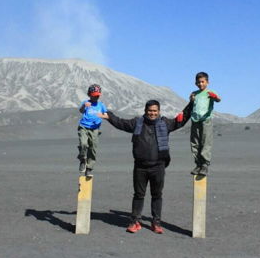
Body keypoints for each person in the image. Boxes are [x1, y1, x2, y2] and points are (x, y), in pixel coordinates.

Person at [99, 100, 191, 234]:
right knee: (138, 195)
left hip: (158, 166)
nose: (152, 113)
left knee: (157, 195)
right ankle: (135, 221)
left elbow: (180, 121)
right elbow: (121, 123)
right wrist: (109, 116)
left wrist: (191, 105)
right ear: (145, 111)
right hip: (140, 167)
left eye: (155, 111)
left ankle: (156, 222)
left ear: (159, 111)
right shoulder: (137, 123)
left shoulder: (165, 124)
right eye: (150, 111)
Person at [189, 72, 221, 176]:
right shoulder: (194, 93)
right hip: (195, 120)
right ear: (195, 83)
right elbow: (192, 104)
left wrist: (214, 97)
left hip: (206, 120)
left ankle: (205, 165)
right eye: (198, 82)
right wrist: (191, 99)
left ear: (207, 82)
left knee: (205, 141)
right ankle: (198, 164)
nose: (200, 84)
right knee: (195, 142)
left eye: (203, 82)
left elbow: (218, 99)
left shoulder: (209, 92)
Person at [77, 84, 107, 177]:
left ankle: (89, 168)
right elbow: (81, 111)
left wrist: (101, 115)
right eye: (94, 95)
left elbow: (106, 115)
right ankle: (82, 159)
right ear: (89, 94)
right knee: (83, 144)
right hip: (84, 127)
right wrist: (84, 106)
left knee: (93, 148)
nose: (96, 97)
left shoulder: (101, 105)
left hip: (95, 129)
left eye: (98, 95)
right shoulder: (86, 102)